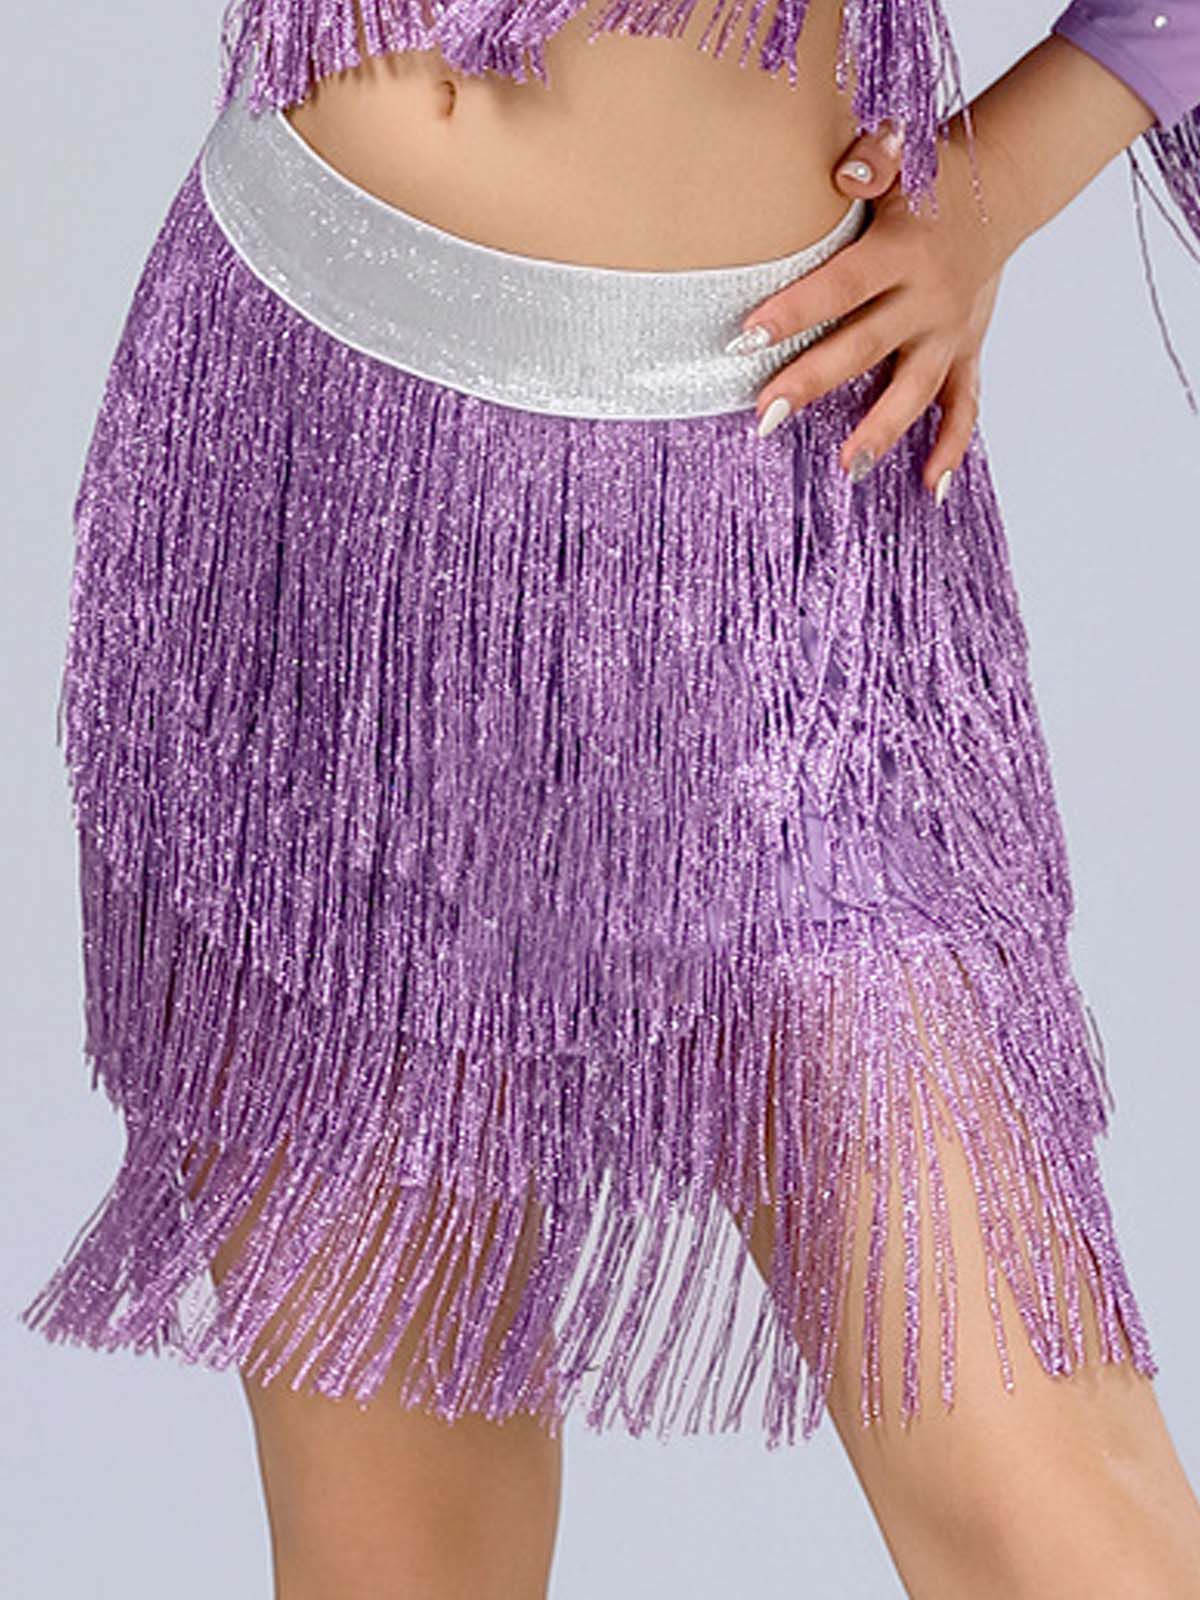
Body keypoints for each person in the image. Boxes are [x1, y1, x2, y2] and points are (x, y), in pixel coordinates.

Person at [19, 0, 1200, 1594]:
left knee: (1053, 1532)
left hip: (768, 543)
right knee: (393, 1555)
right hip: (301, 466)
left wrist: (995, 188)